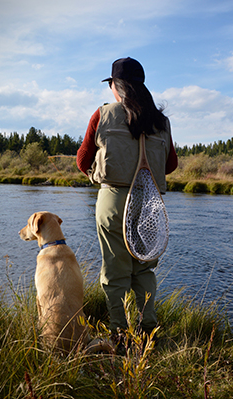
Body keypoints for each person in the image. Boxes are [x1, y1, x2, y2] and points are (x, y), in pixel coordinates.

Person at [77, 57, 178, 336]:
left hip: (113, 200)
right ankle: (148, 330)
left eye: (110, 83)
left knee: (115, 268)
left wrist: (97, 172)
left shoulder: (102, 114)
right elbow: (171, 165)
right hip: (149, 202)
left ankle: (119, 333)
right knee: (143, 270)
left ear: (116, 85)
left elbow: (82, 159)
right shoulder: (162, 121)